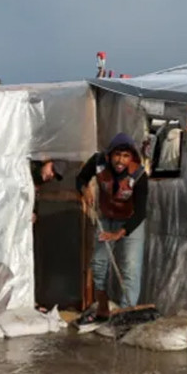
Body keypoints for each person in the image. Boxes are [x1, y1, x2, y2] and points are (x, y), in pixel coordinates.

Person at [75, 133, 148, 324]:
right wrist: (85, 189)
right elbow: (80, 178)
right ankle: (102, 308)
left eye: (125, 156)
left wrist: (119, 233)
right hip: (106, 217)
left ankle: (125, 315)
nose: (120, 161)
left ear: (131, 157)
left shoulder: (139, 175)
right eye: (117, 155)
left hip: (131, 222)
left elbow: (140, 212)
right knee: (99, 265)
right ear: (109, 155)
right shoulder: (98, 162)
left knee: (130, 268)